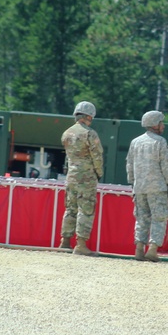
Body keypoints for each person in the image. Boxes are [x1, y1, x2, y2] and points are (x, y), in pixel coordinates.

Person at [126, 110, 168, 262]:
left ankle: (139, 248)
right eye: (161, 122)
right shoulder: (160, 142)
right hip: (157, 187)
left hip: (139, 187)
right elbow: (164, 166)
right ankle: (153, 249)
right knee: (159, 217)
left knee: (141, 218)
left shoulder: (135, 142)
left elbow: (129, 164)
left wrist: (133, 182)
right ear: (155, 124)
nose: (163, 126)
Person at [60, 101, 104, 256]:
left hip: (71, 176)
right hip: (86, 178)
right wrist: (98, 173)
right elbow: (97, 157)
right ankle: (81, 244)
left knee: (70, 209)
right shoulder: (90, 134)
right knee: (85, 210)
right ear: (88, 117)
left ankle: (65, 242)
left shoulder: (66, 133)